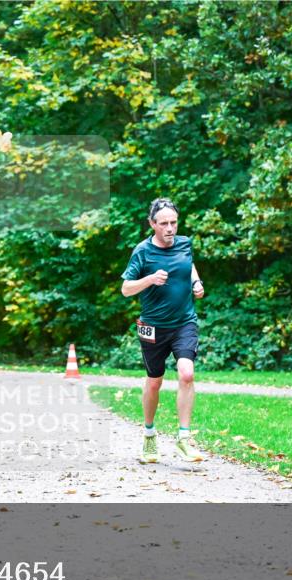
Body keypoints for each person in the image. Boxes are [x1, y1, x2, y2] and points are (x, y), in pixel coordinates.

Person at [120, 197, 205, 464]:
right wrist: (149, 279)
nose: (170, 228)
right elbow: (125, 289)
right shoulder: (142, 252)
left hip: (183, 322)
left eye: (174, 222)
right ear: (152, 224)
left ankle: (184, 438)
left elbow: (188, 265)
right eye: (164, 223)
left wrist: (196, 281)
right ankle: (149, 435)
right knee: (154, 381)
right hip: (153, 327)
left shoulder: (184, 243)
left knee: (187, 373)